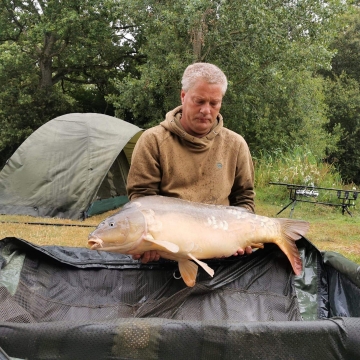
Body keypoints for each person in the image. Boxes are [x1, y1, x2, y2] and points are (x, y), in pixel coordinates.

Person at [127, 62, 255, 263]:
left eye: (214, 103)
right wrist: (148, 242)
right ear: (183, 96)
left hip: (222, 250)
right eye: (199, 101)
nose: (206, 110)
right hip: (168, 251)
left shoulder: (235, 144)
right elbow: (142, 200)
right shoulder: (153, 141)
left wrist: (244, 235)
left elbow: (244, 199)